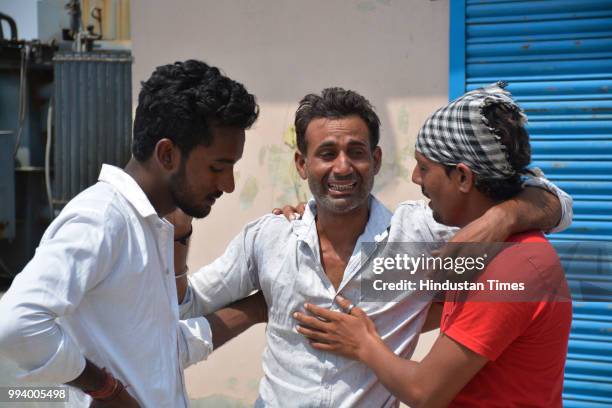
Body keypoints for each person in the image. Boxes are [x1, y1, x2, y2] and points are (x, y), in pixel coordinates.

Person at [176, 86, 573, 407]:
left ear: (377, 160)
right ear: (301, 164)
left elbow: (558, 204)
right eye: (327, 154)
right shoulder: (268, 237)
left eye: (357, 152)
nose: (343, 167)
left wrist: (500, 217)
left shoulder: (423, 235)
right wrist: (178, 234)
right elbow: (187, 303)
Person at [0, 60, 265, 407]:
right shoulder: (102, 219)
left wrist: (259, 307)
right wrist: (105, 389)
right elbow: (16, 324)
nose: (228, 185)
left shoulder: (150, 225)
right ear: (167, 154)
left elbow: (158, 350)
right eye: (218, 167)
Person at [293, 82, 573, 407]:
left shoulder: (512, 267)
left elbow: (424, 393)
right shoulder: (482, 246)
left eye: (424, 167)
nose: (415, 177)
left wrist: (362, 342)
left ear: (464, 178)